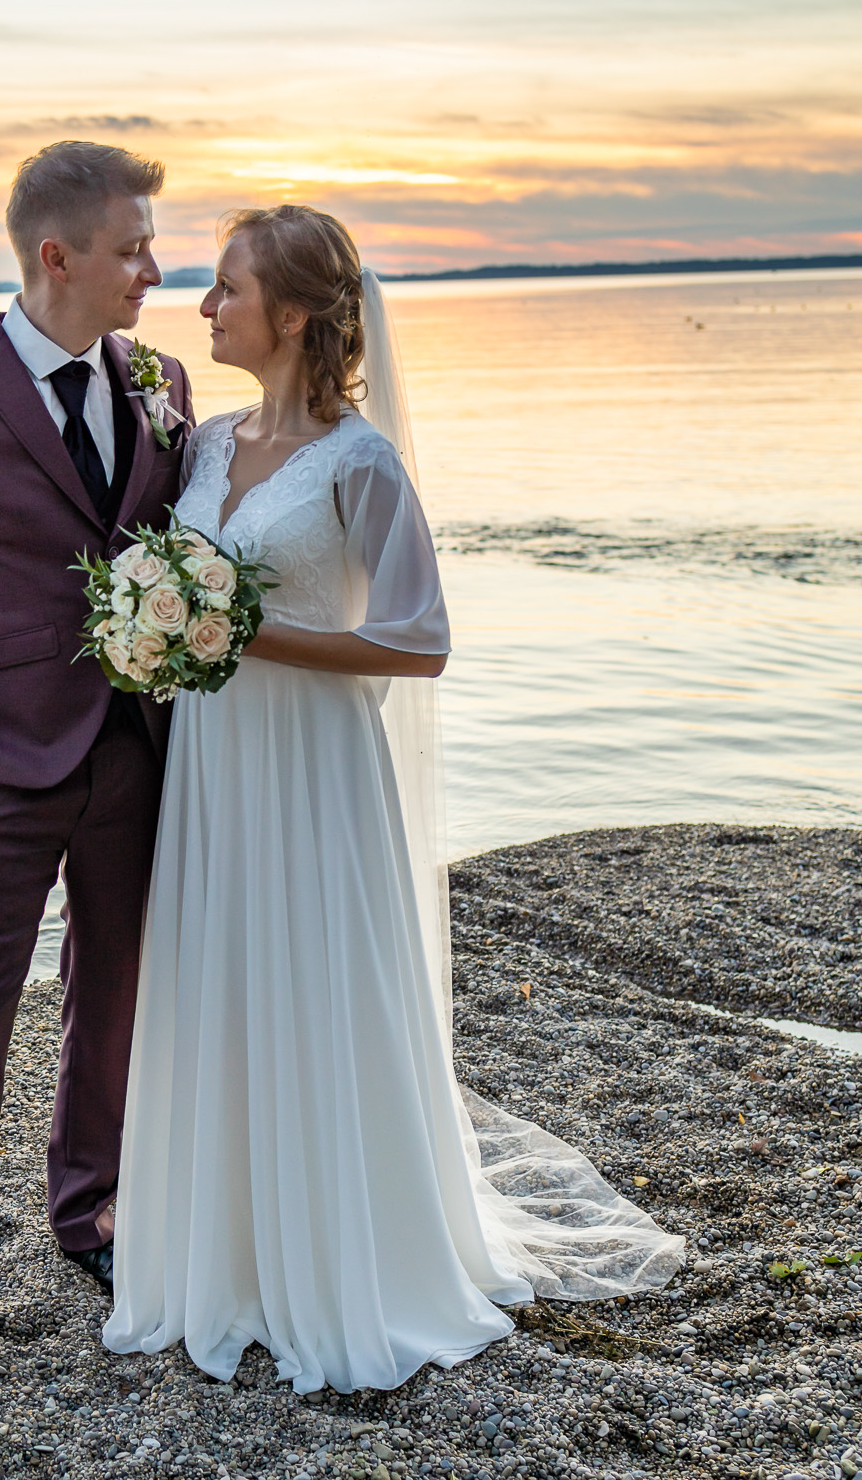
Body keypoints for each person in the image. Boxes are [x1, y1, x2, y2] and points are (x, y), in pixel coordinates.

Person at [104, 204, 682, 1395]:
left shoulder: (360, 462)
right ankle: (233, 1254)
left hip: (316, 768)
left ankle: (345, 1258)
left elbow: (419, 641)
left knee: (316, 979)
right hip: (216, 767)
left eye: (226, 288)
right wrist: (164, 637)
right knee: (221, 979)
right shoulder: (206, 446)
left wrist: (250, 633)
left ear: (296, 313)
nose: (205, 308)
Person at [0, 140, 193, 1427]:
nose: (153, 271)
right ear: (55, 257)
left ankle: (89, 1210)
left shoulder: (160, 383)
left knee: (108, 999)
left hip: (131, 756)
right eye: (132, 249)